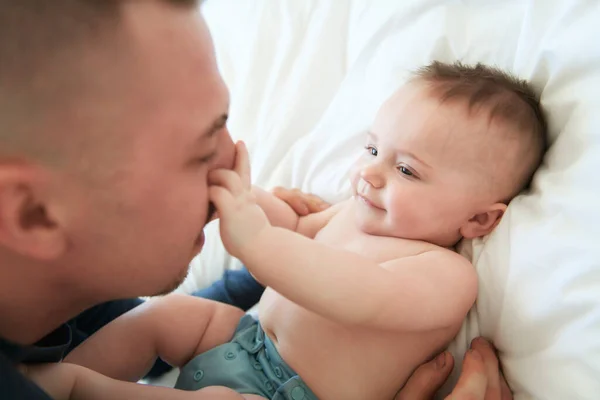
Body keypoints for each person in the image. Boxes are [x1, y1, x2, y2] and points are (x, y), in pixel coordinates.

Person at [58, 61, 546, 399]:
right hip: (242, 336)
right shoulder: (351, 213)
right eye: (374, 150)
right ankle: (68, 373)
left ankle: (77, 392)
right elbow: (295, 227)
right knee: (166, 314)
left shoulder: (445, 275)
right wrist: (244, 197)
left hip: (287, 393)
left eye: (408, 170)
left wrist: (259, 244)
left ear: (479, 219)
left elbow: (357, 294)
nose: (369, 173)